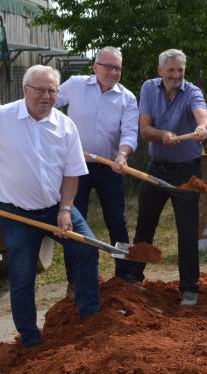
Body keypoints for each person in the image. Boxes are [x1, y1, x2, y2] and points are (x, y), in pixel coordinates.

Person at [0, 65, 99, 347]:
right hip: (15, 213)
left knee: (87, 248)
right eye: (40, 90)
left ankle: (90, 317)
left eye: (52, 91)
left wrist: (65, 210)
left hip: (54, 207)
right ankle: (31, 338)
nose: (46, 96)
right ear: (26, 90)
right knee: (22, 274)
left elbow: (72, 172)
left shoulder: (65, 125)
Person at [55, 46, 139, 285]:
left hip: (109, 168)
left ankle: (124, 276)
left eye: (117, 68)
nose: (113, 72)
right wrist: (58, 138)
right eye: (108, 66)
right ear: (95, 67)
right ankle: (75, 281)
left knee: (117, 222)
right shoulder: (75, 85)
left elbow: (130, 132)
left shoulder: (127, 97)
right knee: (71, 224)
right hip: (74, 168)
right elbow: (49, 106)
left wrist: (122, 155)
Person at [134, 49, 207, 306]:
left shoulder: (192, 92)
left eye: (180, 70)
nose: (176, 75)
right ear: (160, 71)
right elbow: (144, 129)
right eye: (171, 70)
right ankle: (133, 280)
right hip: (156, 169)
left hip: (187, 172)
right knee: (145, 226)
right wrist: (162, 134)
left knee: (187, 231)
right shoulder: (148, 88)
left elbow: (202, 115)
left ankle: (189, 287)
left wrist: (201, 127)